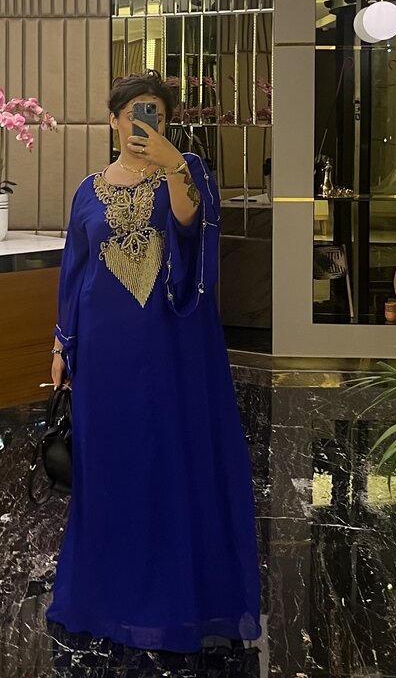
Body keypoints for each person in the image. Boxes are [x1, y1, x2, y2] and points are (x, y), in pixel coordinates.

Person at [46, 71, 261, 654]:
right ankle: (106, 596)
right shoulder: (88, 190)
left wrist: (173, 167)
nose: (146, 126)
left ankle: (175, 599)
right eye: (136, 115)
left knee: (169, 453)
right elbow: (75, 270)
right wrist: (63, 343)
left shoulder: (187, 171)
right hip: (105, 351)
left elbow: (191, 230)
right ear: (114, 120)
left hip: (170, 344)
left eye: (158, 117)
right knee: (110, 460)